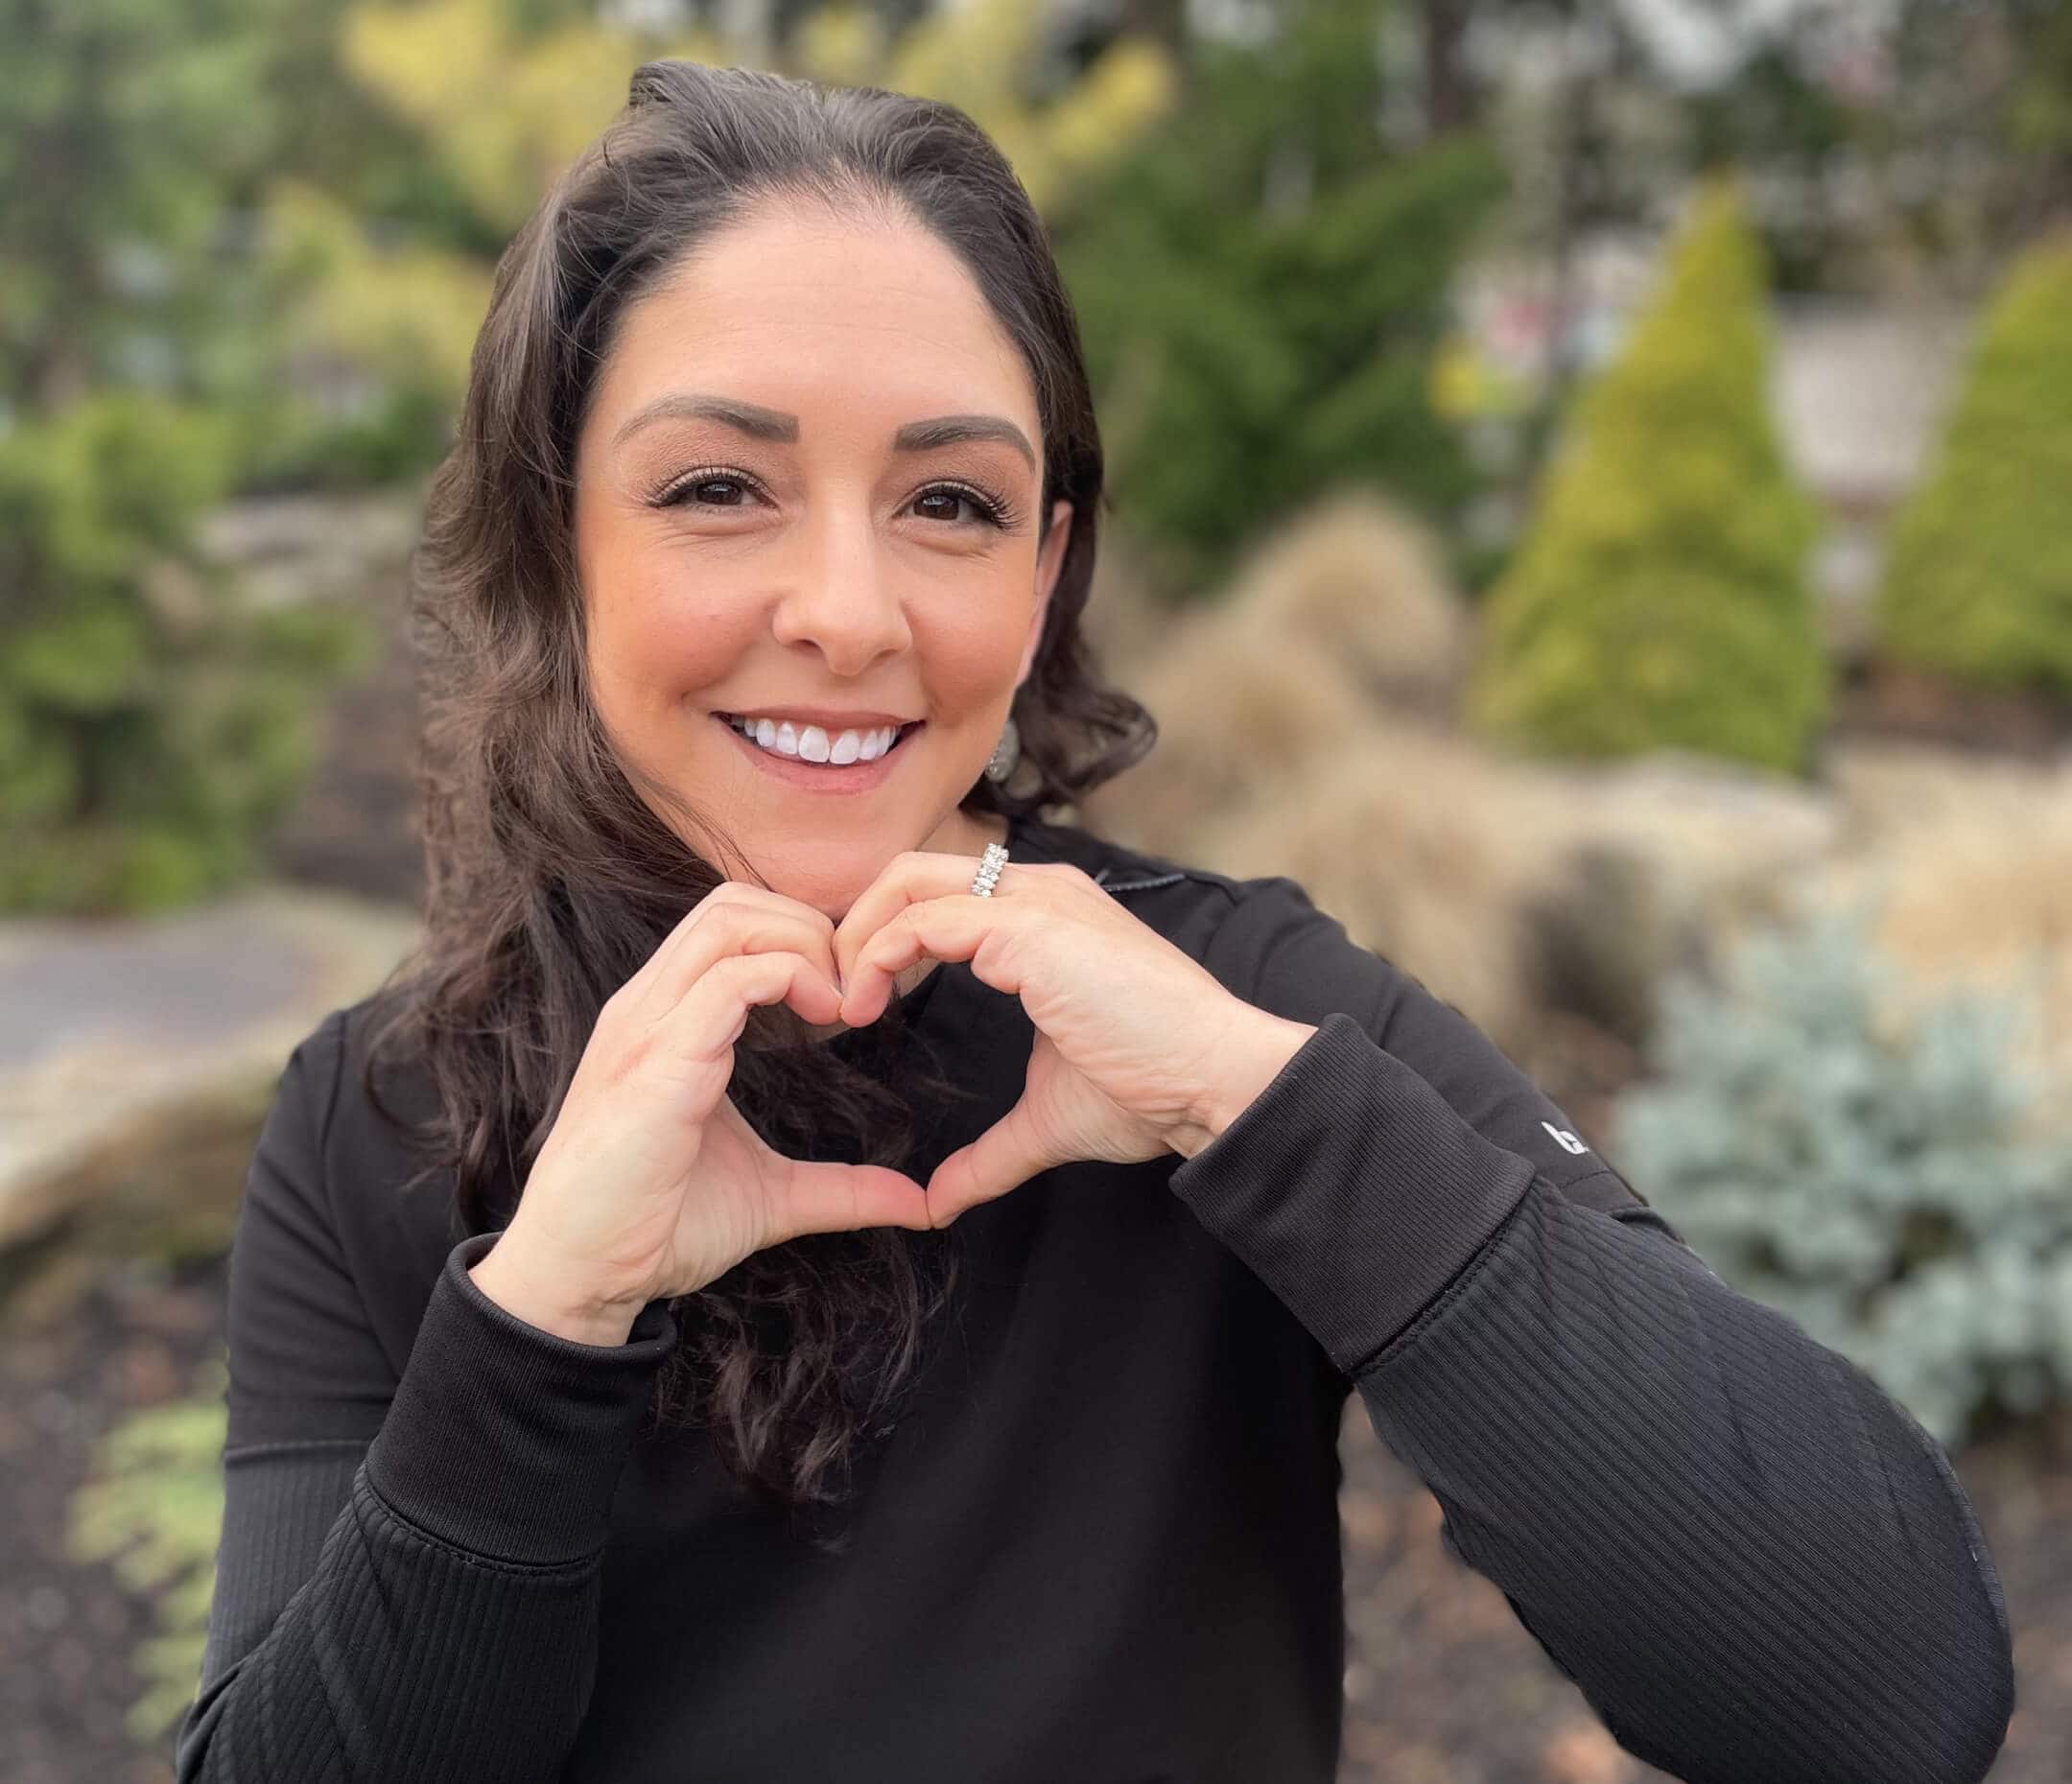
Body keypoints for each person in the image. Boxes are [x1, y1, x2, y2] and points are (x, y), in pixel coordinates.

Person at [176, 59, 2014, 1784]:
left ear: (1046, 567)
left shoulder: (1240, 1011)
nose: (849, 611)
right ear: (557, 538)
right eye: (719, 487)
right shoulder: (375, 1114)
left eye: (950, 501)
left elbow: (1877, 1698)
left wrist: (1274, 1124)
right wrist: (544, 1319)